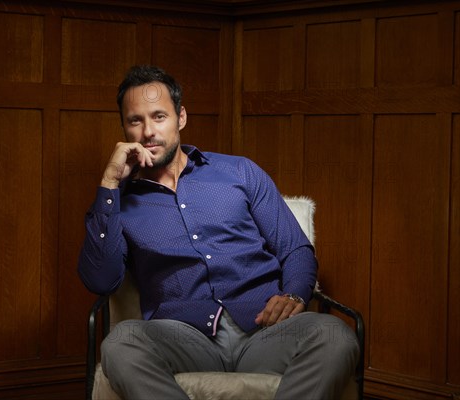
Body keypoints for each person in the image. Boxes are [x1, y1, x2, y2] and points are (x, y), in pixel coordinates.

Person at [78, 65, 359, 399]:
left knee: (334, 334)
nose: (148, 131)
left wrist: (294, 295)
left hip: (264, 329)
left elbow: (295, 249)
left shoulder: (238, 172)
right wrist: (109, 182)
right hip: (183, 337)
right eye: (135, 120)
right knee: (120, 344)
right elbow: (100, 280)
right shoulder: (119, 201)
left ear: (181, 117)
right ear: (124, 127)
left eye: (158, 116)